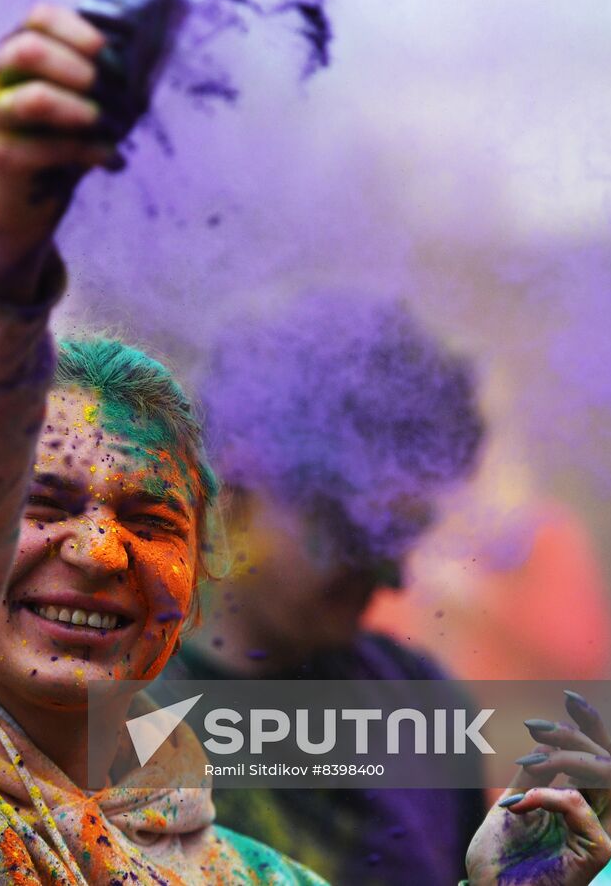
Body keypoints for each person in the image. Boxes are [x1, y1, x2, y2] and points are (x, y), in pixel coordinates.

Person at [0, 3, 611, 885]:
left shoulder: (242, 866)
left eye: (148, 516)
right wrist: (2, 260)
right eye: (44, 505)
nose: (99, 551)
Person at [165, 292, 489, 884]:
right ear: (236, 490)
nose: (394, 576)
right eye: (354, 529)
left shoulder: (421, 707)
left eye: (403, 531)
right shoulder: (115, 716)